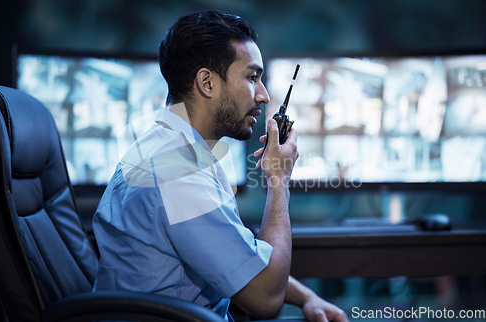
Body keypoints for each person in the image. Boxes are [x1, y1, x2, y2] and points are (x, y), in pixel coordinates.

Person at [92, 10, 348, 322]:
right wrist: (279, 180)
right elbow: (264, 298)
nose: (264, 95)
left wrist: (307, 297)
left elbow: (238, 257)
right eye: (252, 77)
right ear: (207, 83)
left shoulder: (171, 149)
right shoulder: (178, 174)